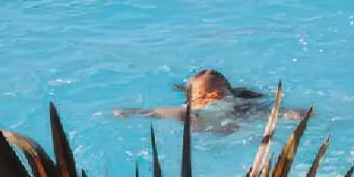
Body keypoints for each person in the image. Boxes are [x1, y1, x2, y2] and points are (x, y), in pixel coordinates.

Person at [112, 69, 304, 130]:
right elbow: (292, 114)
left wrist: (125, 112)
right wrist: (293, 114)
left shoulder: (186, 112)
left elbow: (147, 112)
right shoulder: (243, 109)